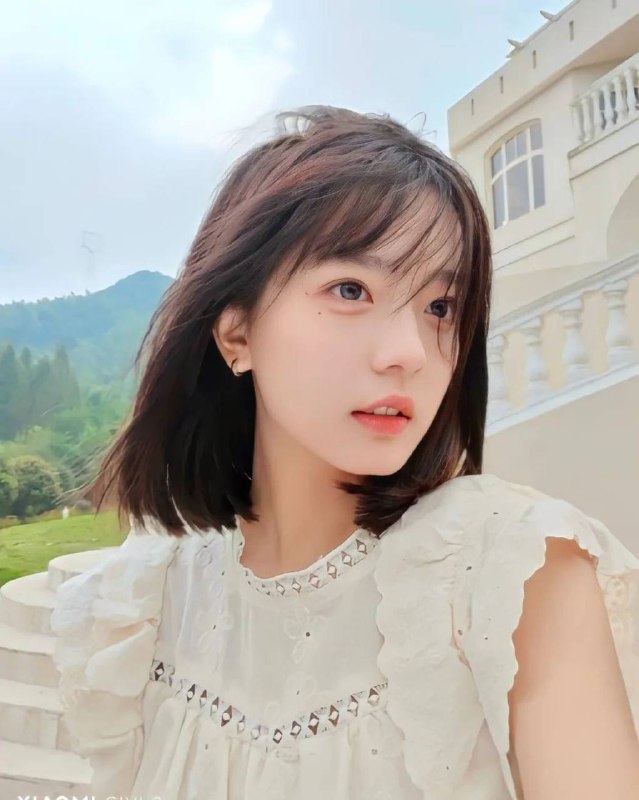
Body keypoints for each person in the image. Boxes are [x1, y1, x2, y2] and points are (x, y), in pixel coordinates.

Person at [50, 106, 639, 800]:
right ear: (236, 332)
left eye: (441, 307)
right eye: (351, 290)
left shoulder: (511, 570)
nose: (409, 353)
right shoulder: (149, 602)